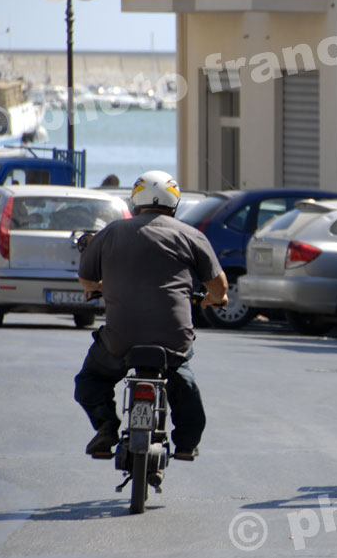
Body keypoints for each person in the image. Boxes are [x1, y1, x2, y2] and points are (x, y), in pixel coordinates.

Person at [74, 170, 229, 460]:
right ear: (175, 203)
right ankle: (185, 443)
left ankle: (106, 426)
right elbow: (218, 285)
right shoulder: (191, 234)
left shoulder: (110, 232)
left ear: (135, 201)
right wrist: (216, 299)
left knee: (91, 379)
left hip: (120, 340)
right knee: (183, 382)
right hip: (171, 339)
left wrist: (98, 287)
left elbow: (86, 278)